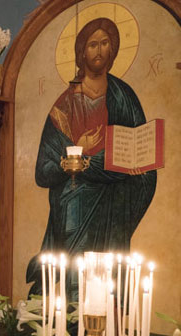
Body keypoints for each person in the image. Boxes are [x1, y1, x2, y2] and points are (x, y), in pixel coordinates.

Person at [26, 17, 157, 297]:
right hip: (76, 200)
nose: (99, 50)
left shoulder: (125, 96)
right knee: (77, 275)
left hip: (114, 201)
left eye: (105, 43)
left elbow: (139, 147)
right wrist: (80, 153)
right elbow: (43, 170)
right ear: (81, 52)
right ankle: (71, 330)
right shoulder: (65, 104)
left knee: (110, 277)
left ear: (114, 49)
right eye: (92, 44)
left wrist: (137, 166)